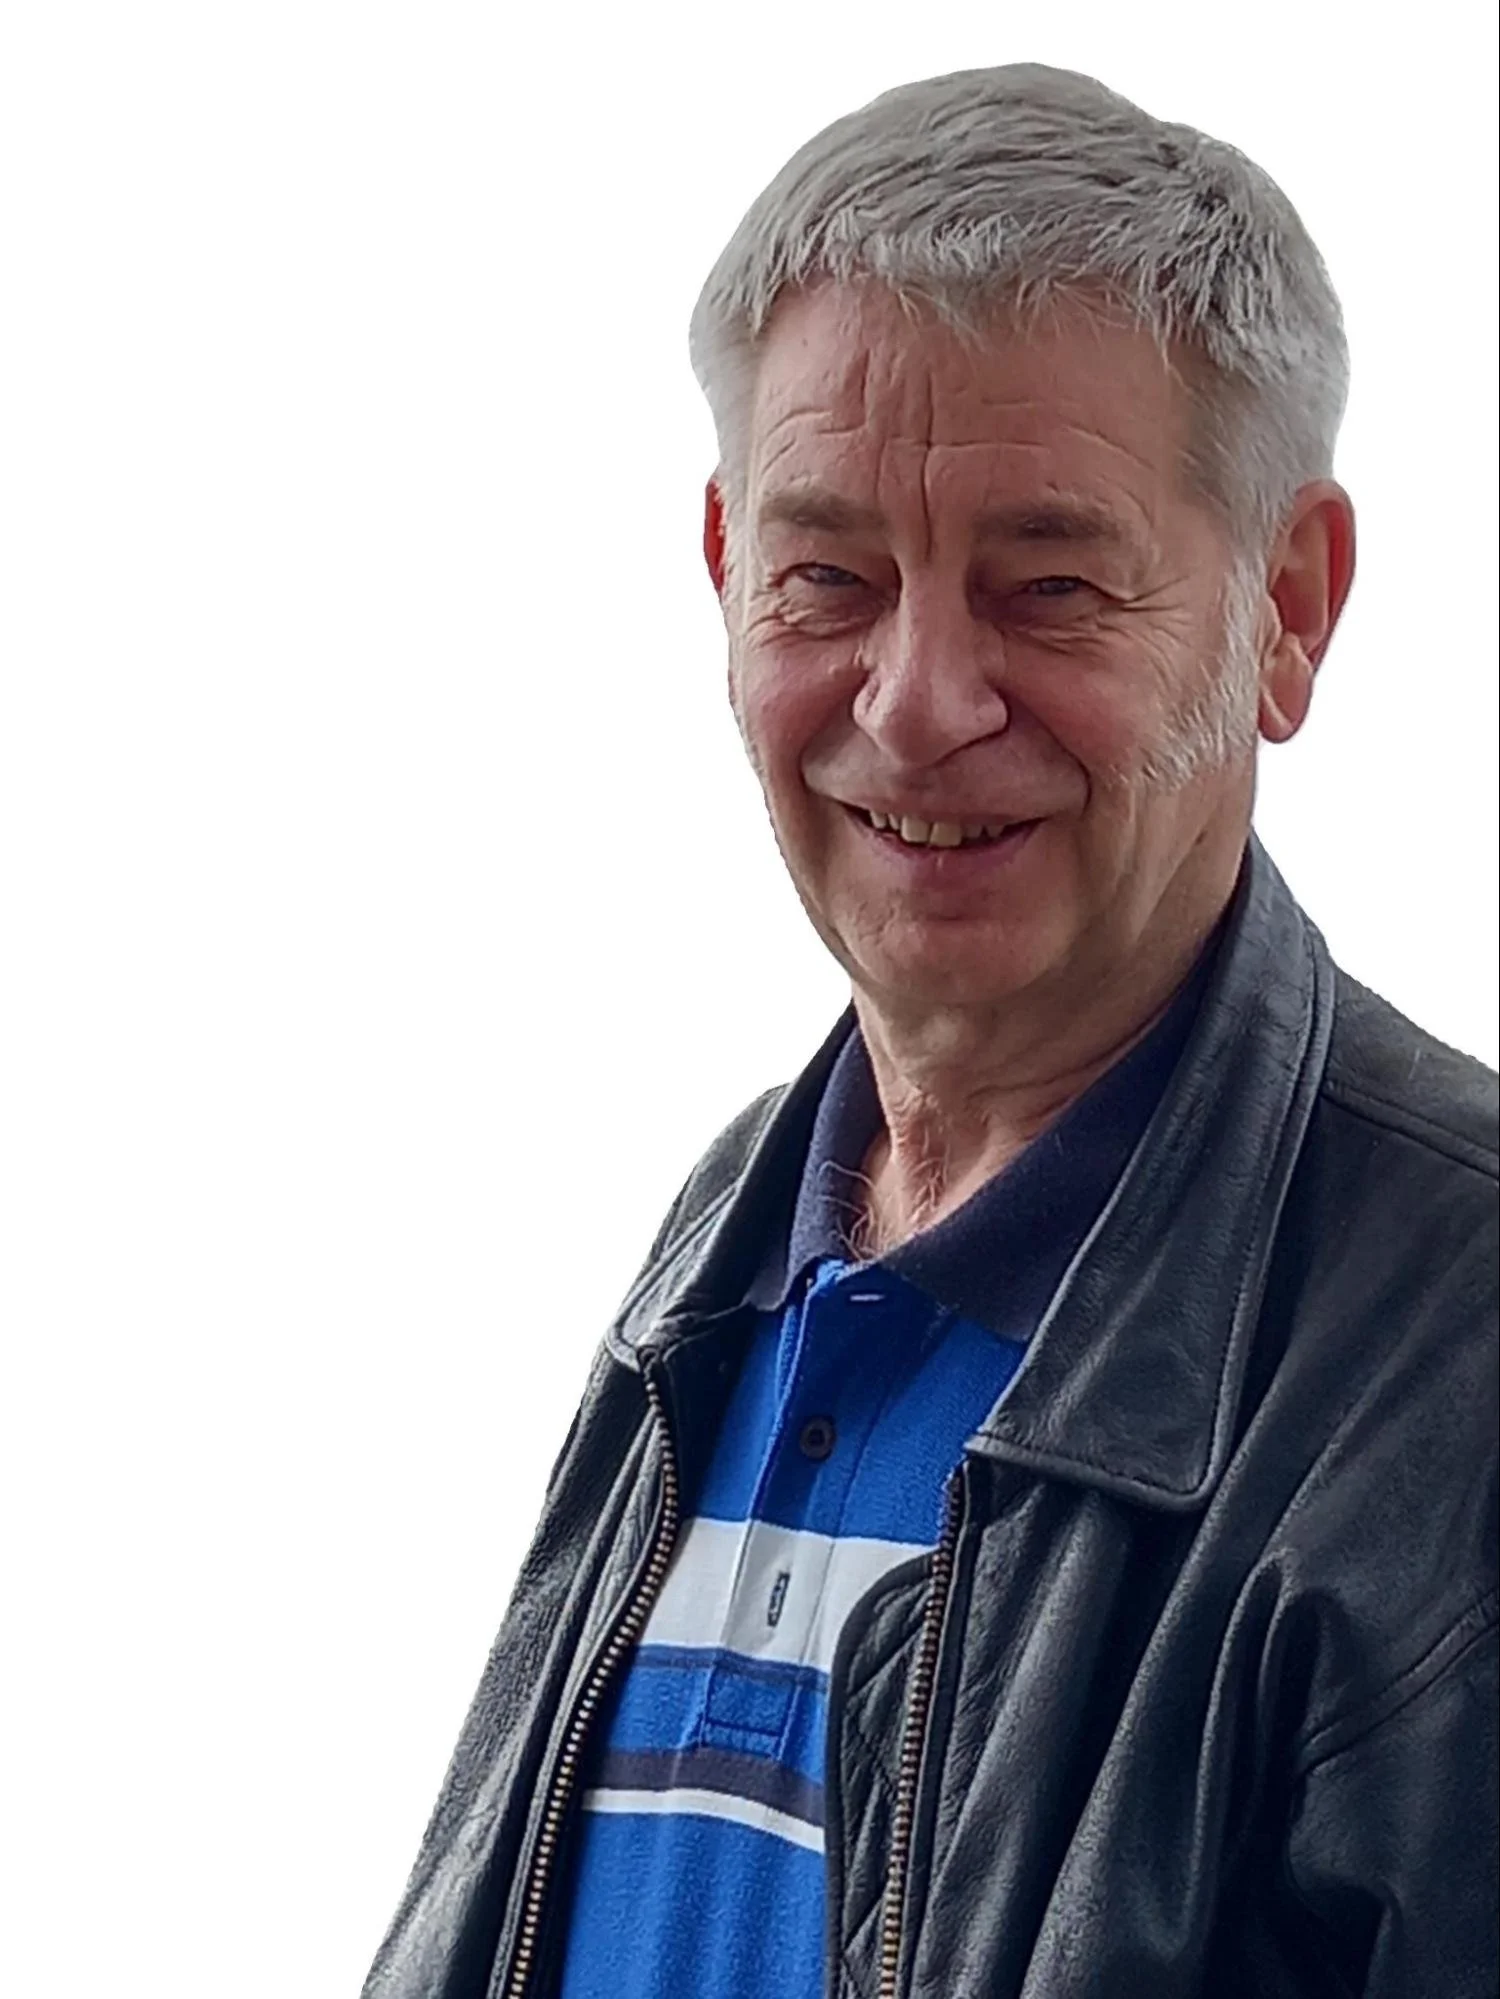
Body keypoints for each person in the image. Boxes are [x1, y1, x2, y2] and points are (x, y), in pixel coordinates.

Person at [362, 64, 1498, 1999]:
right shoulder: (740, 1231)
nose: (916, 701)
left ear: (1287, 610)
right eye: (832, 578)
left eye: (1047, 583)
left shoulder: (1459, 1357)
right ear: (725, 571)